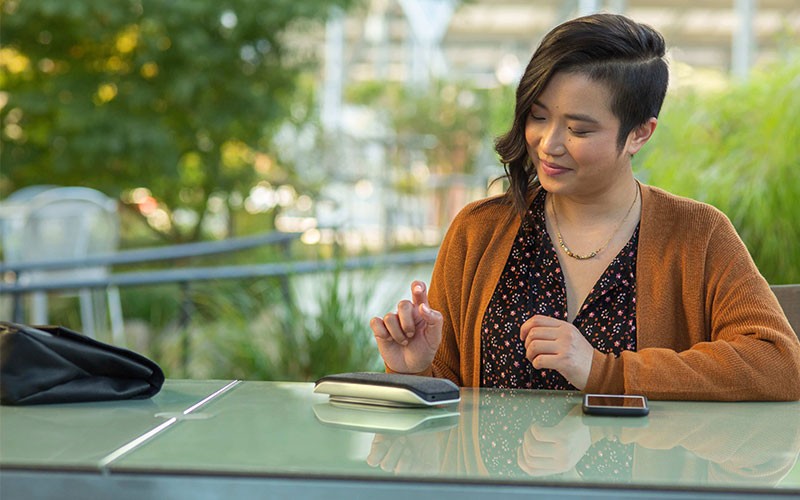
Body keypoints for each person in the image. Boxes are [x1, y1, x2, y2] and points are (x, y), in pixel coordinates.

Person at [369, 13, 800, 401]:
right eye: (538, 117)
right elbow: (445, 404)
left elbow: (779, 363)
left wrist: (603, 371)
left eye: (578, 129)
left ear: (639, 134)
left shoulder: (696, 234)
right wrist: (414, 371)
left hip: (642, 471)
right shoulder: (478, 231)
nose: (548, 144)